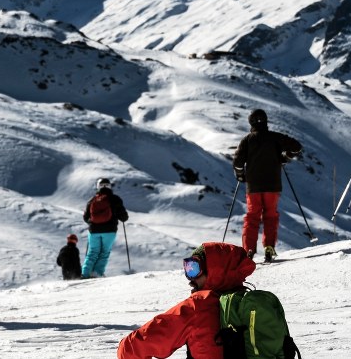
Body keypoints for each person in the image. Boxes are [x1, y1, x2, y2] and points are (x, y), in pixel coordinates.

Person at [116, 242, 255, 359]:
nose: (190, 279)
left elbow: (131, 348)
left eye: (195, 269)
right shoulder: (252, 304)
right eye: (188, 269)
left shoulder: (199, 306)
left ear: (215, 272)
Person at [231, 108, 303, 262]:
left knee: (252, 217)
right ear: (265, 121)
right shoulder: (275, 137)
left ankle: (249, 250)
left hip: (253, 186)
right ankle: (269, 247)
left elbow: (237, 162)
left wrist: (240, 175)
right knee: (270, 216)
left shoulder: (247, 140)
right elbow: (296, 147)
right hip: (273, 185)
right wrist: (285, 156)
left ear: (250, 122)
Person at [81, 178, 129, 278]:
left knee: (92, 252)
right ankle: (97, 273)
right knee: (104, 253)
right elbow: (124, 217)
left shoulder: (92, 200)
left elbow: (85, 217)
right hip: (109, 231)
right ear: (109, 186)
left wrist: (92, 223)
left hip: (94, 231)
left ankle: (85, 274)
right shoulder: (115, 199)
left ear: (98, 187)